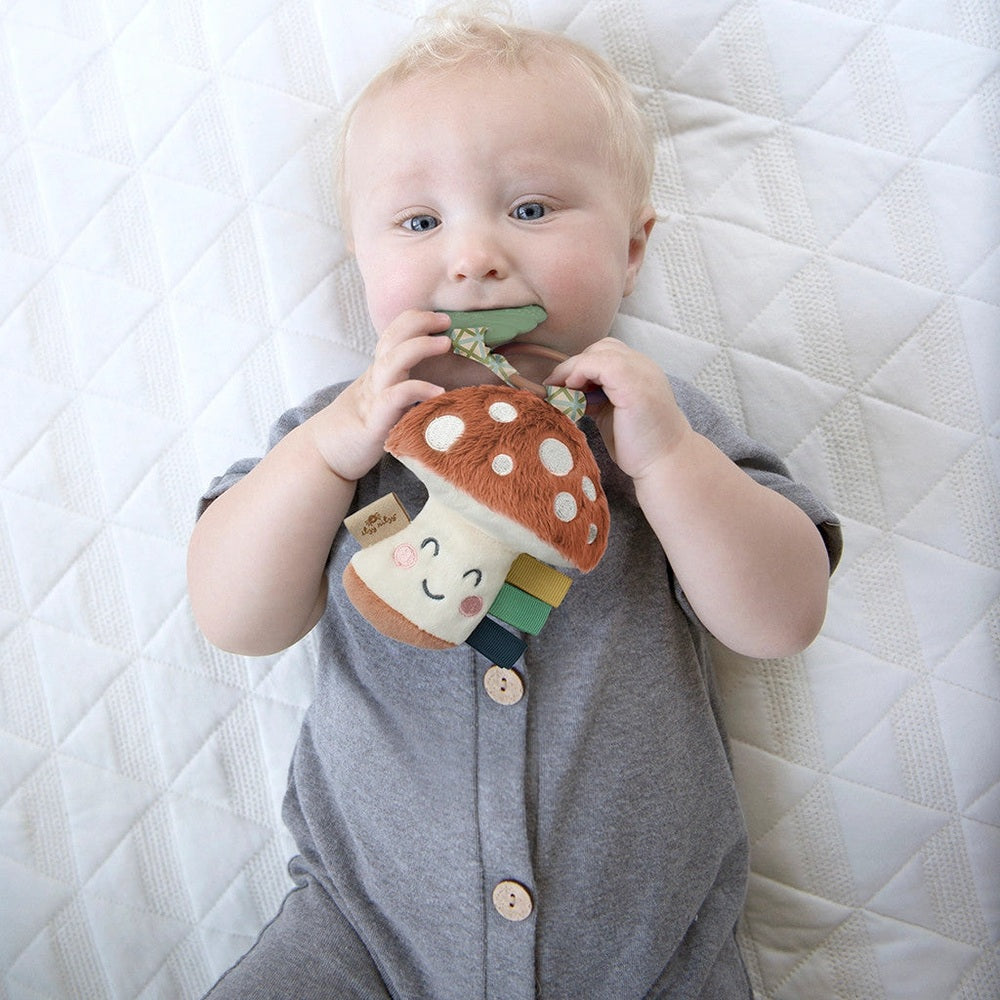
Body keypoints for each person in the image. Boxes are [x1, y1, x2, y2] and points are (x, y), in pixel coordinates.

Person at [187, 5, 841, 998]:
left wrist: (667, 464)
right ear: (364, 262)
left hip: (647, 954)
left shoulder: (651, 426)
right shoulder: (349, 433)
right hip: (366, 936)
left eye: (531, 209)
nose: (474, 256)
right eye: (418, 222)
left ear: (631, 249)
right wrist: (326, 455)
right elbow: (235, 618)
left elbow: (781, 617)